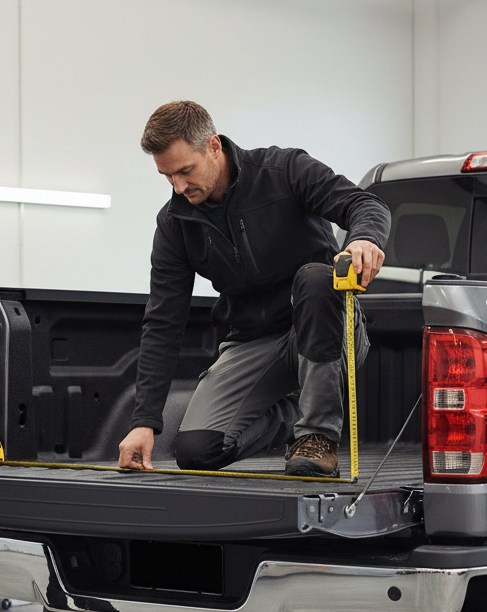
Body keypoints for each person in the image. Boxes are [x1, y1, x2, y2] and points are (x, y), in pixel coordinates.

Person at [118, 101, 390, 478]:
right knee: (198, 451)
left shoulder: (285, 171)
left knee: (316, 277)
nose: (179, 187)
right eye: (168, 177)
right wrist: (144, 421)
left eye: (185, 171)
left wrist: (363, 239)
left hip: (326, 329)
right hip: (255, 341)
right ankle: (295, 410)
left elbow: (365, 204)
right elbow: (163, 322)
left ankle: (316, 438)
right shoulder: (175, 223)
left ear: (214, 146)